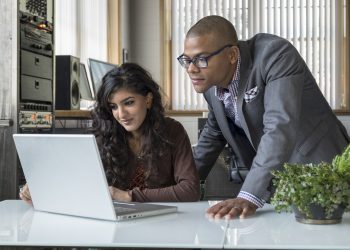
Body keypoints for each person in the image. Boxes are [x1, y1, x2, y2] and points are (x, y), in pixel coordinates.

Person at [177, 15, 350, 219]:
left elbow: (279, 127)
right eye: (186, 60)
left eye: (200, 59)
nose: (191, 69)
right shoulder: (210, 84)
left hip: (320, 171)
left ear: (232, 55)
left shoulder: (275, 54)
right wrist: (178, 189)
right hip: (277, 183)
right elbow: (213, 135)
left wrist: (249, 195)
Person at [20, 62, 200, 203]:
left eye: (129, 103)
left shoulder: (172, 131)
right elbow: (73, 181)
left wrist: (131, 196)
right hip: (114, 225)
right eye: (113, 106)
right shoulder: (103, 135)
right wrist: (39, 190)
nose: (121, 114)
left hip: (165, 224)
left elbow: (190, 189)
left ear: (148, 100)